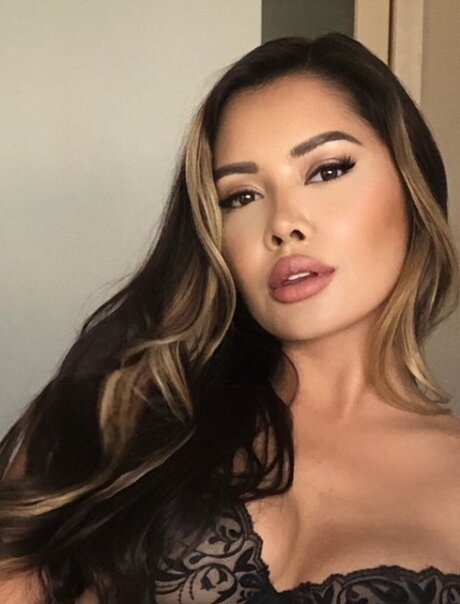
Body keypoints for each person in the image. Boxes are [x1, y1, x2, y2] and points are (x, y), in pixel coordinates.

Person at [0, 32, 459, 604]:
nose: (283, 223)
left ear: (412, 186)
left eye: (327, 170)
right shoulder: (127, 409)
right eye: (241, 196)